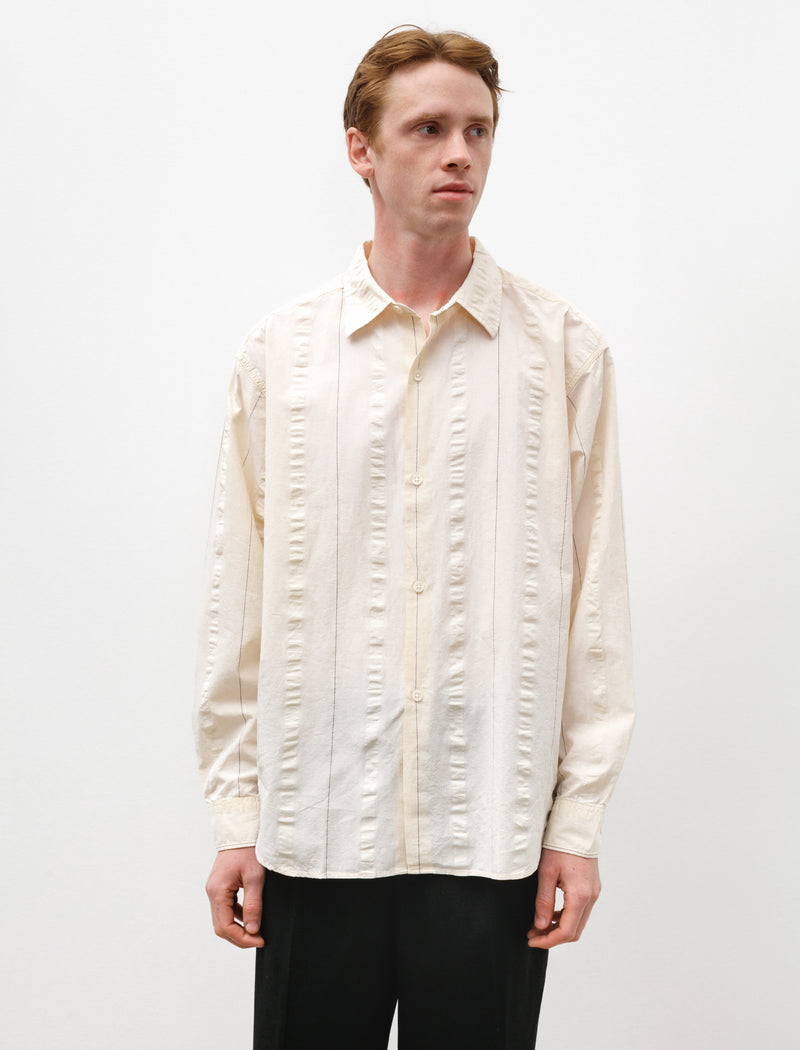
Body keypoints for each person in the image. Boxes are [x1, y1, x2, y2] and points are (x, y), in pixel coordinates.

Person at [194, 25, 635, 1050]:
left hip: (491, 837)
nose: (459, 155)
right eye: (428, 129)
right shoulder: (282, 357)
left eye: (478, 130)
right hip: (314, 833)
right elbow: (236, 604)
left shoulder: (563, 355)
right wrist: (236, 816)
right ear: (361, 149)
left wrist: (575, 828)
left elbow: (596, 606)